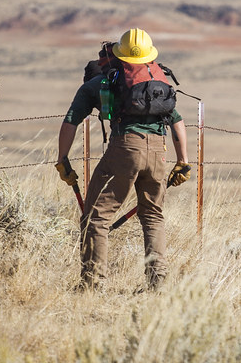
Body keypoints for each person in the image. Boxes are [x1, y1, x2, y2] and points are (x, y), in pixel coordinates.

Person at [55, 28, 191, 291]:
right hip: (158, 151)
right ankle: (158, 284)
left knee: (96, 216)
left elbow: (70, 121)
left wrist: (62, 158)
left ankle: (93, 284)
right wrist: (183, 160)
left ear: (119, 52)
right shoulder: (158, 82)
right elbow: (178, 121)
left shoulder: (103, 82)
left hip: (125, 148)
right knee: (153, 216)